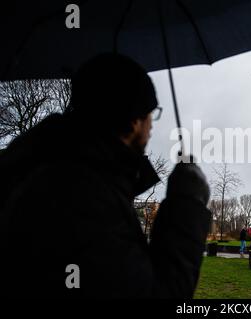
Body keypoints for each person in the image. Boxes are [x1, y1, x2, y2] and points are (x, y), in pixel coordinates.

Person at [0, 53, 211, 298]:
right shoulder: (81, 196)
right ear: (134, 120)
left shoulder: (46, 168)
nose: (152, 127)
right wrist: (187, 204)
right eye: (151, 114)